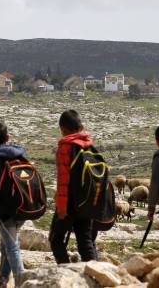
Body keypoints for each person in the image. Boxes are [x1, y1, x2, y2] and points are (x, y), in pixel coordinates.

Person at [0, 120, 29, 288]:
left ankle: (21, 283)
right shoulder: (19, 154)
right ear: (8, 137)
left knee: (12, 247)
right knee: (6, 246)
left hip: (5, 210)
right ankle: (1, 281)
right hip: (23, 207)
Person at [48, 110, 98, 264]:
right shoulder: (88, 144)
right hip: (86, 202)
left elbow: (63, 181)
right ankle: (97, 275)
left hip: (69, 202)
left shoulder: (66, 147)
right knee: (85, 241)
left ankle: (66, 273)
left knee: (55, 239)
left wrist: (62, 208)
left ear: (63, 128)